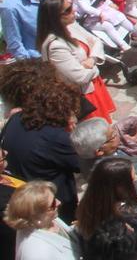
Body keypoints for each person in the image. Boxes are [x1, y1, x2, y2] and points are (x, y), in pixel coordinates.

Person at [1, 79, 81, 222]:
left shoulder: (16, 119)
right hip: (51, 200)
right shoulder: (57, 137)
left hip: (23, 190)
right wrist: (71, 133)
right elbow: (79, 163)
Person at [37, 0, 116, 121]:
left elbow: (97, 41)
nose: (73, 10)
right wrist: (95, 69)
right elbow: (80, 77)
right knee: (95, 132)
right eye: (67, 10)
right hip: (82, 95)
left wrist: (92, 60)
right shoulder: (55, 46)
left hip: (93, 86)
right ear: (54, 18)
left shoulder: (71, 25)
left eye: (71, 6)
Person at [3, 180, 78, 259]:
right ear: (36, 215)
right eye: (53, 203)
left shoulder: (46, 219)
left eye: (55, 198)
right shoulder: (37, 254)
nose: (59, 202)